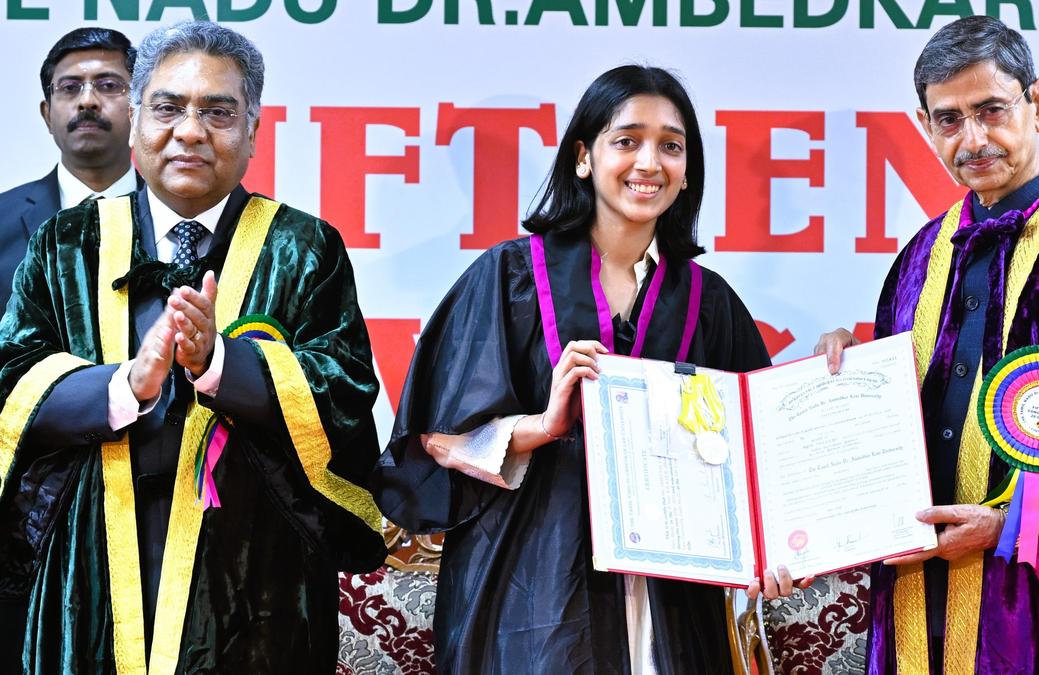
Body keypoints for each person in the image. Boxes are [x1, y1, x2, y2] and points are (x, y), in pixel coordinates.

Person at [759, 15, 1039, 675]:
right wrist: (842, 383)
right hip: (915, 595)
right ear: (925, 125)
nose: (973, 139)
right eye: (949, 119)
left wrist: (1009, 525)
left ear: (1038, 103)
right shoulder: (919, 258)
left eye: (992, 110)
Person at [0, 20, 384, 673]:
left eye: (218, 112)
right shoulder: (66, 243)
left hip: (257, 574)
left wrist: (219, 365)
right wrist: (126, 385)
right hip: (91, 564)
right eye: (168, 108)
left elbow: (343, 387)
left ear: (253, 132)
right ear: (134, 120)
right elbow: (13, 377)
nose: (190, 131)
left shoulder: (303, 247)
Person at [372, 65, 770, 673]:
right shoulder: (508, 278)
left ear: (688, 170)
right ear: (584, 157)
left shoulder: (708, 302)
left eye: (671, 146)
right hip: (531, 583)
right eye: (627, 140)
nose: (649, 163)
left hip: (671, 596)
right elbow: (435, 439)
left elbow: (756, 451)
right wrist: (543, 425)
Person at [0, 27, 140, 314]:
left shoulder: (179, 218)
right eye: (70, 87)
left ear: (139, 110)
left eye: (109, 85)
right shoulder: (3, 219)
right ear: (47, 115)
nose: (87, 100)